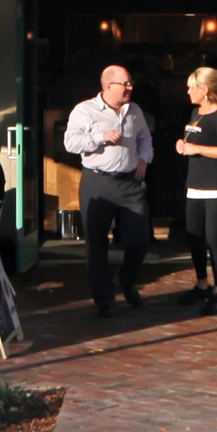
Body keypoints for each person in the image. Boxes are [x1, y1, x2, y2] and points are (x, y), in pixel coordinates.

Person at [64, 63, 154, 317]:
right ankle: (103, 298)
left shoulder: (134, 110)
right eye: (125, 84)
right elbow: (70, 142)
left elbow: (145, 137)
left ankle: (126, 280)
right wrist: (101, 137)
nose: (130, 87)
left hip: (129, 183)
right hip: (98, 182)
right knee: (97, 242)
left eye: (130, 83)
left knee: (139, 239)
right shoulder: (85, 111)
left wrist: (144, 159)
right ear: (108, 86)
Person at [173, 67, 217, 316]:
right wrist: (184, 146)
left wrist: (197, 149)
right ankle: (202, 283)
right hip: (194, 183)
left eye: (192, 87)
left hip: (214, 185)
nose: (188, 91)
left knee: (213, 239)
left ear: (204, 90)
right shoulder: (196, 113)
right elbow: (193, 141)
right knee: (193, 235)